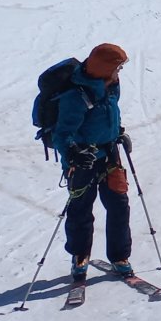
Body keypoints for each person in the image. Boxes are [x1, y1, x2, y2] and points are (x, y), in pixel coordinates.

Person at [53, 42, 134, 285]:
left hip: (109, 155)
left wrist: (118, 132)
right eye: (117, 68)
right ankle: (80, 257)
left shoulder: (111, 86)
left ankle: (120, 257)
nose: (119, 72)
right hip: (83, 163)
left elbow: (110, 113)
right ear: (104, 68)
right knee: (80, 211)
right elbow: (61, 134)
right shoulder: (76, 96)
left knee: (119, 206)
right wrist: (73, 153)